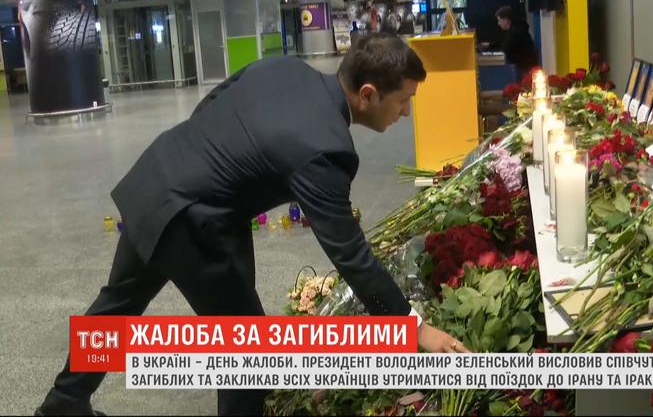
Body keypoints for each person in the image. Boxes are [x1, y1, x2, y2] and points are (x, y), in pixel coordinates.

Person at [35, 34, 468, 416]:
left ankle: (63, 403)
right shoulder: (326, 149)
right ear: (368, 94)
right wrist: (415, 329)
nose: (406, 112)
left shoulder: (283, 68)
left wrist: (214, 178)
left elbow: (210, 106)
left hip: (156, 178)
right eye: (403, 101)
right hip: (192, 221)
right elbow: (351, 255)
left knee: (118, 305)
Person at [478, 6, 540, 121]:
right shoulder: (518, 29)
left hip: (524, 67)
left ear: (506, 19)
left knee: (521, 96)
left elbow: (506, 47)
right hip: (524, 65)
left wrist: (490, 46)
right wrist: (490, 45)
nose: (498, 24)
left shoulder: (516, 32)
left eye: (499, 20)